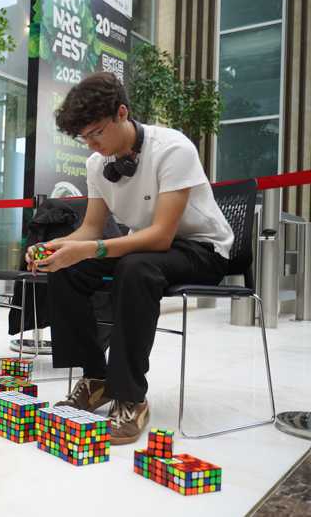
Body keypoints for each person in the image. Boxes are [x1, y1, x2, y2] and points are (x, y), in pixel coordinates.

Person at [27, 72, 233, 445]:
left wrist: (90, 249)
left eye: (96, 133)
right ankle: (96, 378)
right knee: (67, 268)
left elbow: (161, 236)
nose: (92, 145)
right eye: (84, 138)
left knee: (135, 268)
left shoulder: (173, 149)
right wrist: (57, 247)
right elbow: (91, 229)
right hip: (144, 247)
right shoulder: (96, 164)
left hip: (201, 248)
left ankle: (130, 395)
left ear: (122, 112)